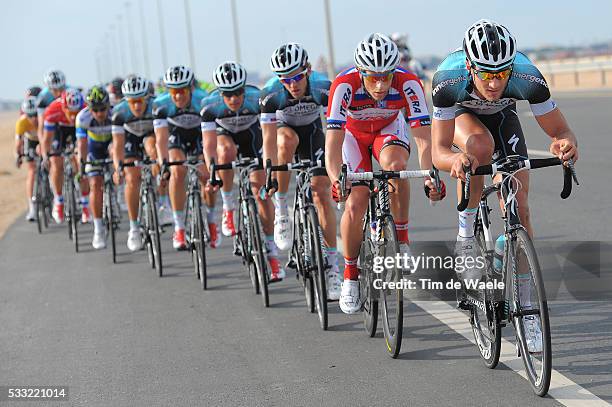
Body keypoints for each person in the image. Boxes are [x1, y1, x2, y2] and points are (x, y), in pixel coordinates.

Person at [430, 19, 579, 352]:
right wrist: (454, 161)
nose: (494, 83)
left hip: (503, 118)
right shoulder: (447, 80)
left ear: (511, 66)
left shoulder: (528, 78)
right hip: (463, 118)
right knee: (479, 146)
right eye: (485, 74)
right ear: (470, 66)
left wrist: (564, 145)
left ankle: (527, 311)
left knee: (520, 206)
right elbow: (438, 150)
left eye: (501, 74)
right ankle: (465, 235)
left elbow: (562, 132)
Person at [325, 33, 445, 314]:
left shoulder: (409, 83)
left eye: (386, 77)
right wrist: (335, 179)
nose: (380, 85)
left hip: (388, 130)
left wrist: (430, 175)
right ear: (361, 73)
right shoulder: (344, 85)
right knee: (356, 200)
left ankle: (401, 240)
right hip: (353, 137)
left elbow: (424, 140)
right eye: (372, 78)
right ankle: (350, 277)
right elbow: (332, 142)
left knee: (396, 169)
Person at [260, 42, 341, 297]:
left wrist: (336, 166)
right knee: (285, 142)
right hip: (286, 135)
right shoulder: (271, 95)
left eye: (297, 77)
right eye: (286, 79)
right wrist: (270, 173)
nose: (293, 84)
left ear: (306, 70)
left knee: (321, 194)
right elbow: (268, 141)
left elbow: (335, 131)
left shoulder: (323, 87)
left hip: (314, 134)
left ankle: (332, 268)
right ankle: (282, 211)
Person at [200, 61, 285, 280]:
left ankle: (272, 255)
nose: (234, 98)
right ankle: (228, 207)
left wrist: (269, 168)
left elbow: (268, 136)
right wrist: (212, 173)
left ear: (244, 88)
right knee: (225, 151)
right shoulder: (210, 106)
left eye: (238, 92)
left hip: (251, 137)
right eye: (228, 94)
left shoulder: (256, 98)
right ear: (220, 93)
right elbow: (209, 146)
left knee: (261, 195)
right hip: (224, 136)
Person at [154, 65, 217, 250]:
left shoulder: (203, 100)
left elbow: (210, 137)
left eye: (182, 90)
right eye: (174, 91)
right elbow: (161, 139)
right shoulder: (161, 104)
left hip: (199, 135)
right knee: (177, 171)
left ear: (190, 88)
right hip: (176, 137)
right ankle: (179, 227)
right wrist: (163, 164)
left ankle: (212, 221)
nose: (178, 96)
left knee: (207, 174)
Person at [112, 75, 172, 251]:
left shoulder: (157, 105)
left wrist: (162, 163)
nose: (137, 106)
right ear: (126, 100)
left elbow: (162, 138)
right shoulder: (119, 112)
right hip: (130, 138)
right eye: (133, 102)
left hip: (151, 137)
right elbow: (118, 145)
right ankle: (133, 228)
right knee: (131, 178)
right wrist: (118, 168)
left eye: (140, 101)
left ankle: (163, 203)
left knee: (155, 150)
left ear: (147, 97)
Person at [41, 88, 89, 224]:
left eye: (76, 111)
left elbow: (86, 140)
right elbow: (47, 139)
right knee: (56, 162)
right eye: (70, 112)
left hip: (78, 130)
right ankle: (59, 200)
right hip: (59, 130)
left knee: (82, 163)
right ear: (63, 107)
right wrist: (45, 156)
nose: (73, 116)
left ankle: (85, 205)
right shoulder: (53, 109)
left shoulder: (85, 109)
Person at [76, 86, 113, 249]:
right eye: (95, 110)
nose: (99, 113)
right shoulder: (82, 118)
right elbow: (82, 145)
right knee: (95, 185)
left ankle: (117, 193)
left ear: (108, 106)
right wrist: (82, 168)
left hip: (112, 145)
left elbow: (122, 140)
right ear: (89, 109)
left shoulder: (116, 113)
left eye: (103, 109)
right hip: (93, 149)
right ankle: (98, 229)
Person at [15, 97, 40, 221]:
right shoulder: (22, 122)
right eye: (30, 115)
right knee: (31, 171)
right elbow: (18, 141)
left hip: (43, 138)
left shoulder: (44, 117)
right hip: (30, 141)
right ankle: (32, 208)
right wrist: (18, 156)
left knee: (52, 164)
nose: (34, 118)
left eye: (35, 114)